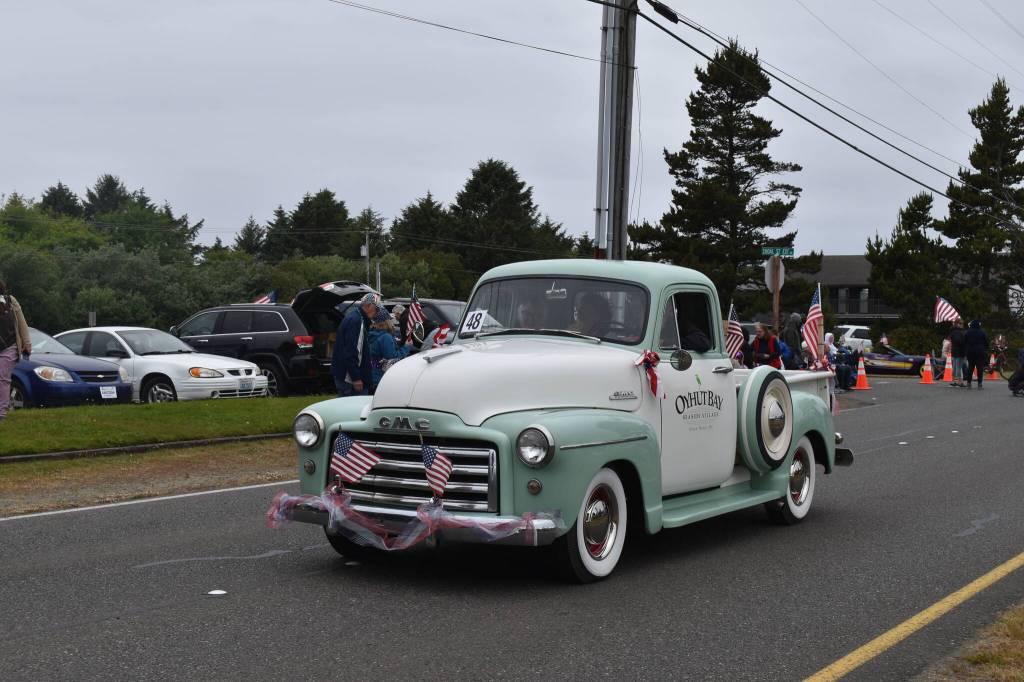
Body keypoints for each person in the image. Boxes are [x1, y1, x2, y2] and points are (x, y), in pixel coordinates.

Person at [331, 293, 378, 397]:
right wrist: (356, 378)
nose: (376, 313)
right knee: (357, 411)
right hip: (350, 379)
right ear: (368, 306)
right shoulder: (357, 321)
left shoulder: (353, 317)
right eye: (376, 309)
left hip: (344, 375)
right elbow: (353, 351)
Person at [0, 278, 31, 423]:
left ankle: (1, 413)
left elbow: (22, 323)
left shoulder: (10, 301)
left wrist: (27, 343)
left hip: (9, 346)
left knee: (2, 378)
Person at [367, 309, 410, 393]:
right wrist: (406, 347)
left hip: (372, 374)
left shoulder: (371, 333)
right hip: (381, 377)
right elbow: (392, 357)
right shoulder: (385, 337)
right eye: (390, 319)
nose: (391, 322)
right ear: (386, 321)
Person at [964, 319, 989, 389]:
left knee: (970, 368)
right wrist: (985, 349)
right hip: (980, 352)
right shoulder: (982, 332)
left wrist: (966, 350)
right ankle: (979, 383)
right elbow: (986, 342)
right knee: (980, 368)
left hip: (970, 352)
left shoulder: (967, 332)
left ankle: (969, 383)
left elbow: (964, 342)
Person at [949, 318, 967, 387]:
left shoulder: (952, 331)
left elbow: (952, 341)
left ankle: (954, 381)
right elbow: (959, 341)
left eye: (962, 323)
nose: (962, 325)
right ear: (957, 324)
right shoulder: (959, 332)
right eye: (960, 323)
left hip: (954, 351)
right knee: (959, 367)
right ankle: (960, 382)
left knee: (955, 367)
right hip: (960, 351)